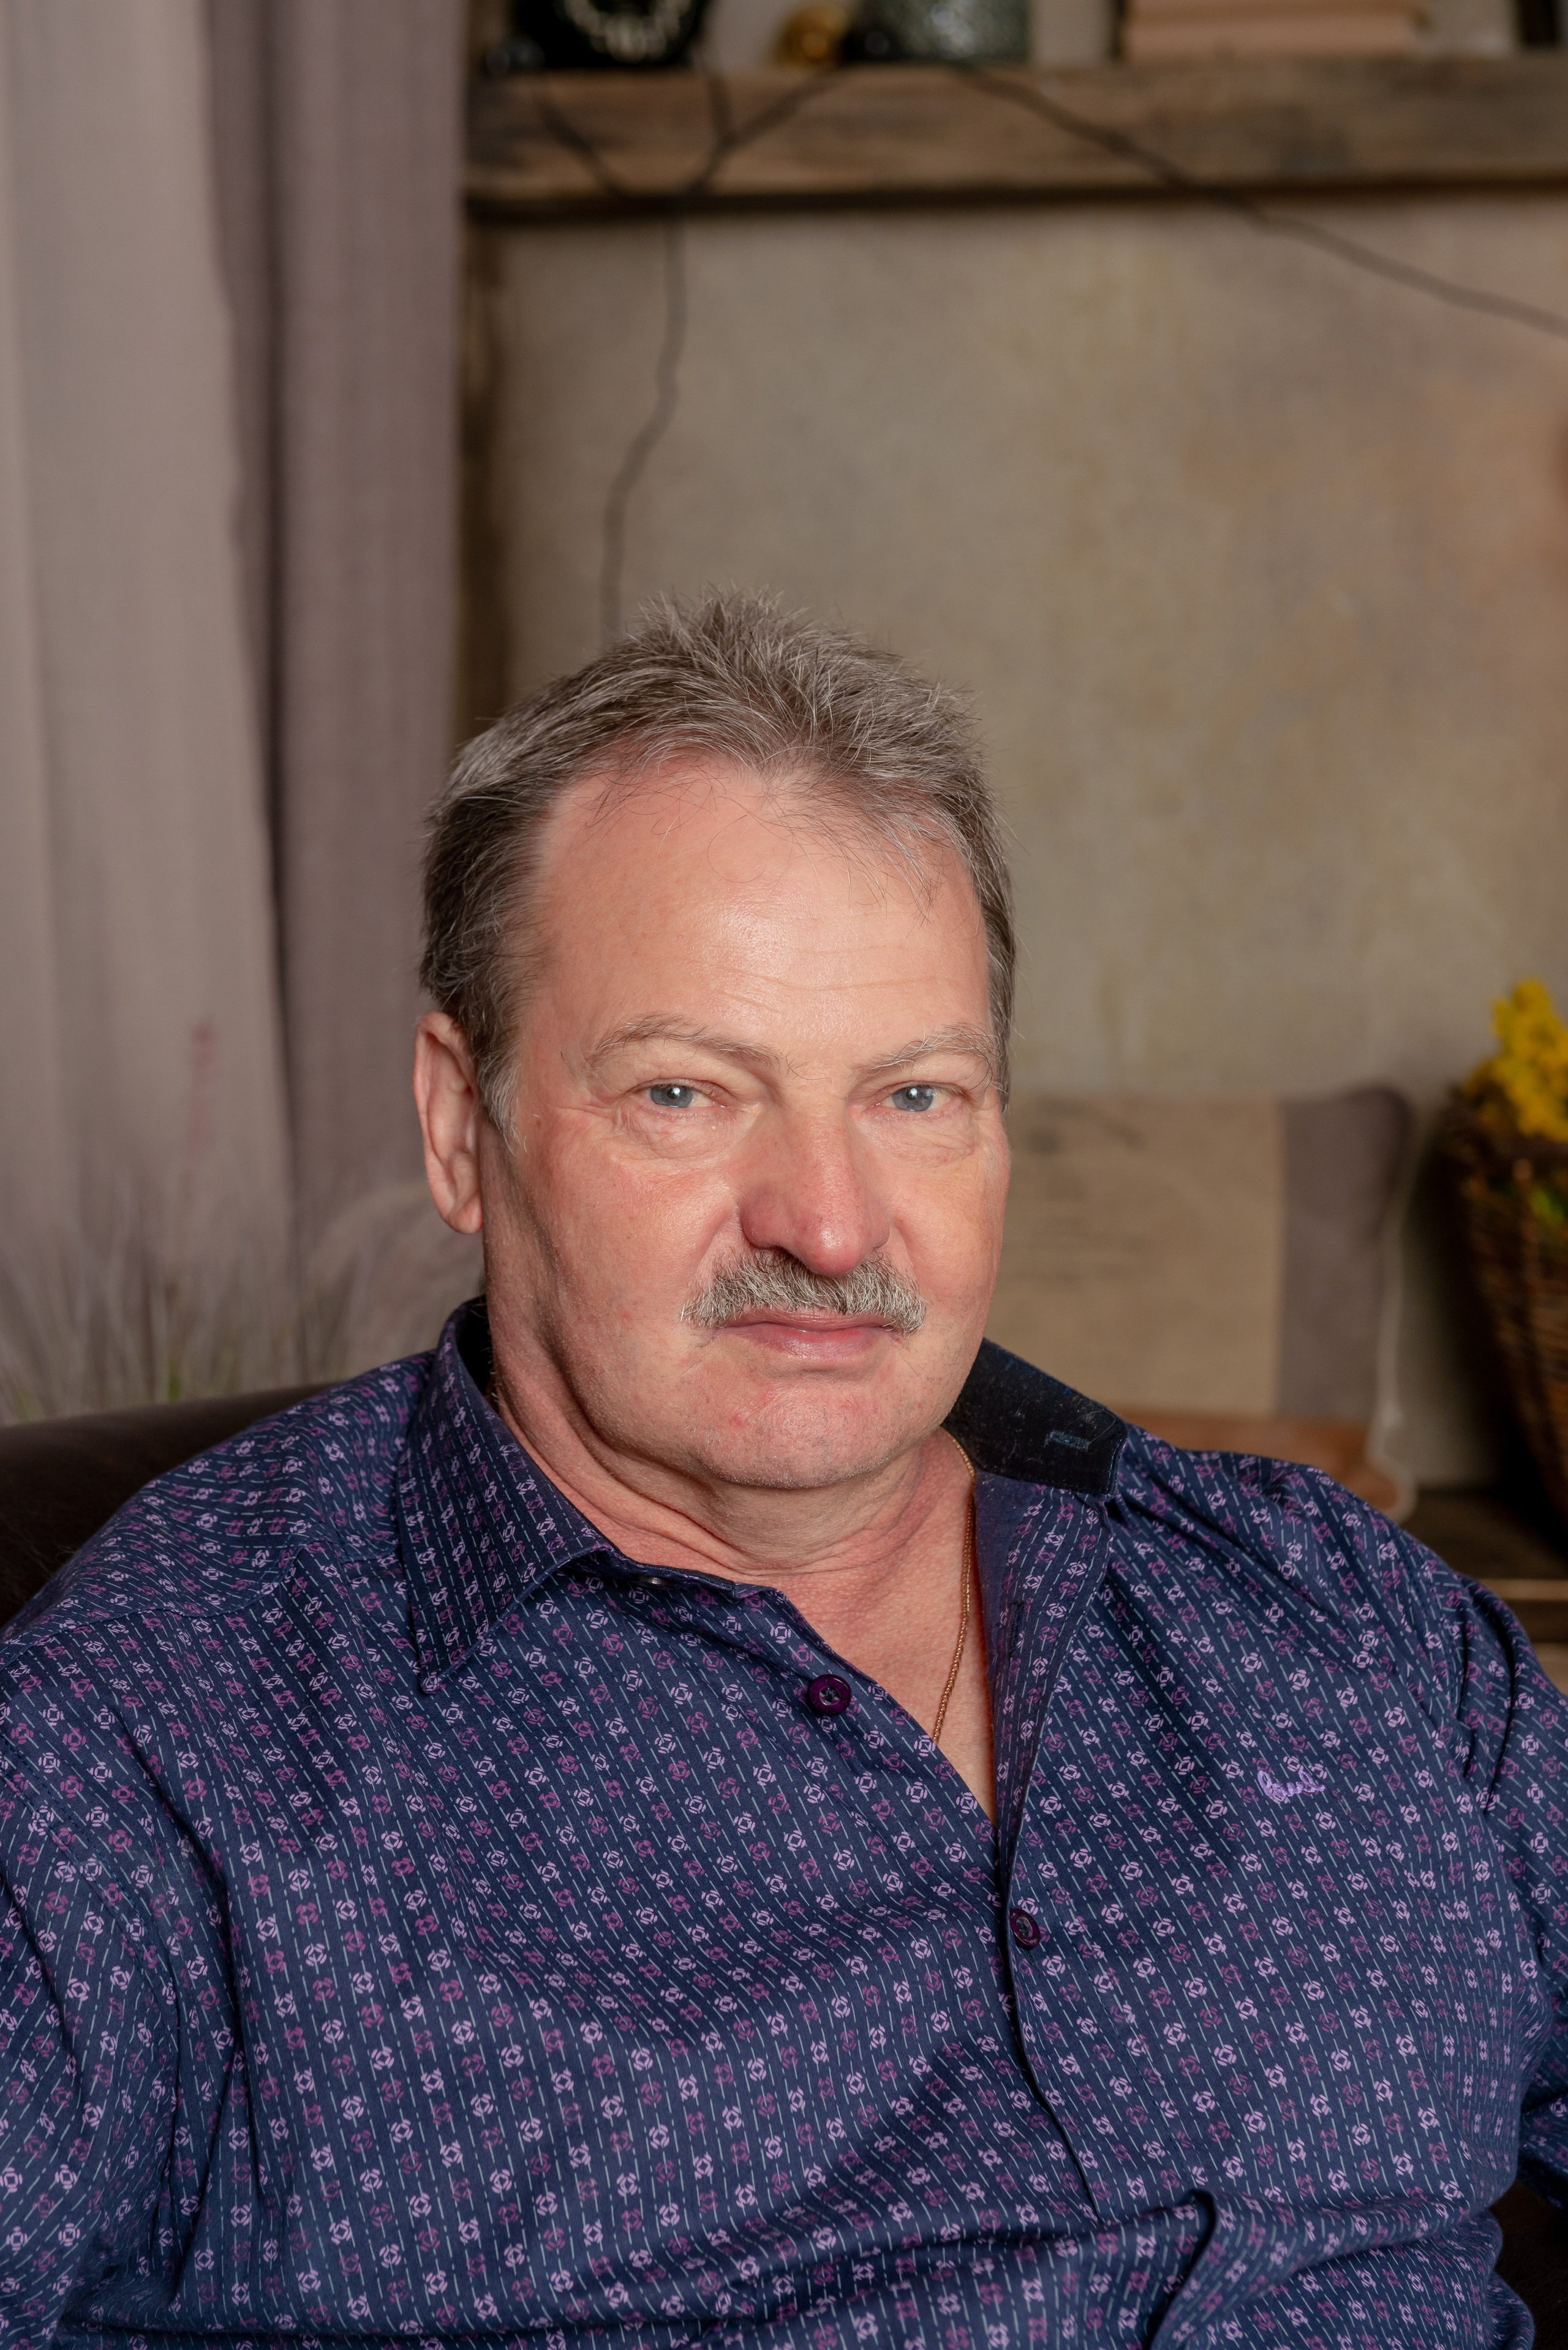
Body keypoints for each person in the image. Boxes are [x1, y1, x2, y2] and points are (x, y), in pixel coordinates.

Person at [1, 596, 1564, 2350]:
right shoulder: (147, 1751)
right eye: (687, 1093)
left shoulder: (1332, 1611)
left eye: (916, 1096)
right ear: (460, 1125)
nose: (827, 1224)